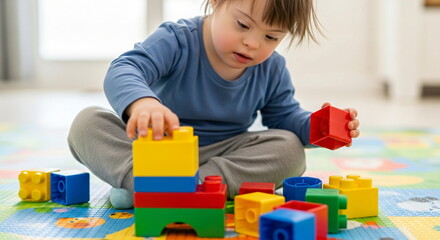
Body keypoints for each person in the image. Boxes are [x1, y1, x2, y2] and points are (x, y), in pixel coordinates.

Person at [68, 0, 360, 209]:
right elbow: (125, 68)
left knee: (289, 148)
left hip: (219, 156)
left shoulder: (271, 68)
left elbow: (284, 117)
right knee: (87, 122)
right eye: (243, 25)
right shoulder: (177, 39)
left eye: (271, 37)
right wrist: (143, 103)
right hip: (154, 150)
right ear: (216, 2)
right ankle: (146, 181)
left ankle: (186, 188)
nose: (253, 43)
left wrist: (317, 127)